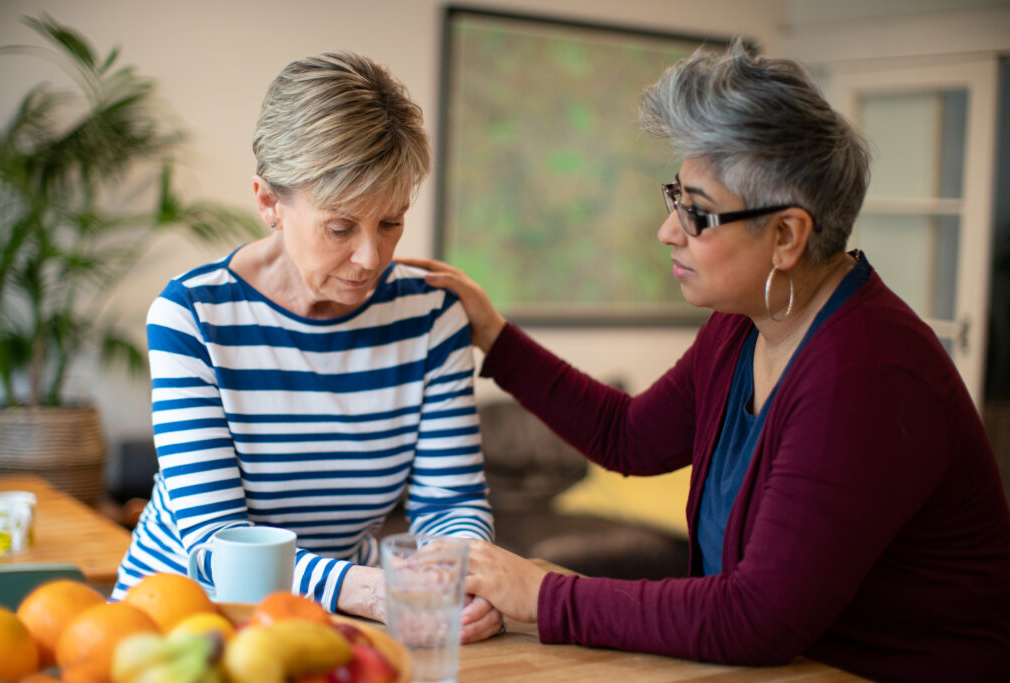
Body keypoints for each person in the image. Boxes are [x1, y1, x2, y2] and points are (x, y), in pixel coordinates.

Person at [402, 40, 1010, 680]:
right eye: (676, 199)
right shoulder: (743, 326)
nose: (668, 230)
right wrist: (494, 335)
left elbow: (756, 618)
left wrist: (543, 594)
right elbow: (628, 436)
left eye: (697, 213)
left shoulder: (868, 374)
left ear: (786, 236)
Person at [112, 51, 503, 641]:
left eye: (391, 223)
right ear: (269, 202)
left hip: (328, 623)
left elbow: (451, 504)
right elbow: (218, 546)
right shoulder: (191, 316)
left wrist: (463, 578)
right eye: (341, 227)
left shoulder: (430, 316)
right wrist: (374, 590)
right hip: (182, 622)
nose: (371, 258)